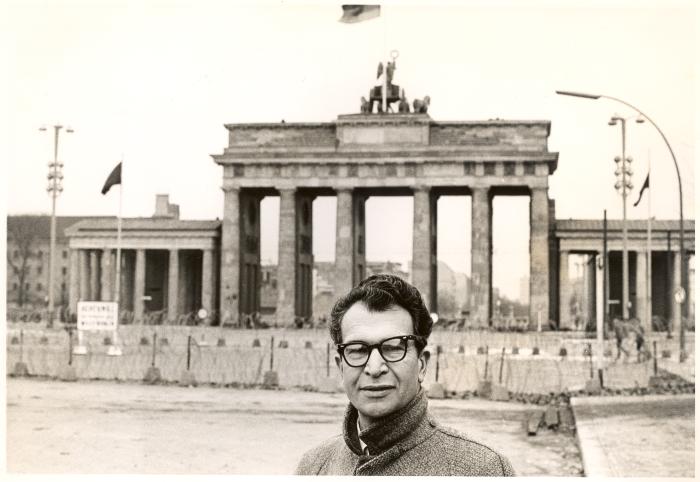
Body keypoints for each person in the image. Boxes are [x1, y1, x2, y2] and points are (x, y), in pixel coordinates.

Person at [295, 274, 514, 476]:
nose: (374, 367)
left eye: (393, 348)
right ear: (340, 366)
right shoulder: (313, 467)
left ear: (421, 364)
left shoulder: (483, 469)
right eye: (358, 350)